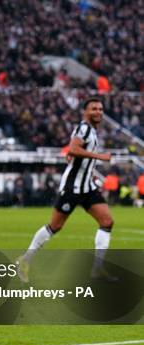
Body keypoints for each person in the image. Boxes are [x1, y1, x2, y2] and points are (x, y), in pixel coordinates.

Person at [18, 98, 115, 281]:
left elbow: (78, 156)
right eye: (94, 109)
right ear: (85, 112)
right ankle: (25, 260)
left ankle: (97, 269)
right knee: (55, 226)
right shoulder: (84, 128)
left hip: (87, 187)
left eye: (101, 109)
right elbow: (73, 149)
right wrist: (100, 156)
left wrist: (91, 171)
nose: (98, 112)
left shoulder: (92, 131)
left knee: (107, 221)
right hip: (72, 187)